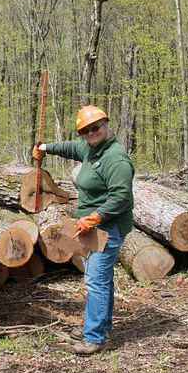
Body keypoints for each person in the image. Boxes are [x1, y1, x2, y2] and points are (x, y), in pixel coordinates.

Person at [32, 105, 135, 355]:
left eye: (95, 127)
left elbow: (121, 196)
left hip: (107, 227)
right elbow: (68, 147)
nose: (91, 133)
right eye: (85, 130)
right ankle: (99, 324)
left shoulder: (115, 158)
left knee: (96, 280)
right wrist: (44, 148)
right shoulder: (90, 150)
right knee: (99, 277)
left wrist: (96, 216)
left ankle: (94, 336)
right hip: (92, 226)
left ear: (106, 125)